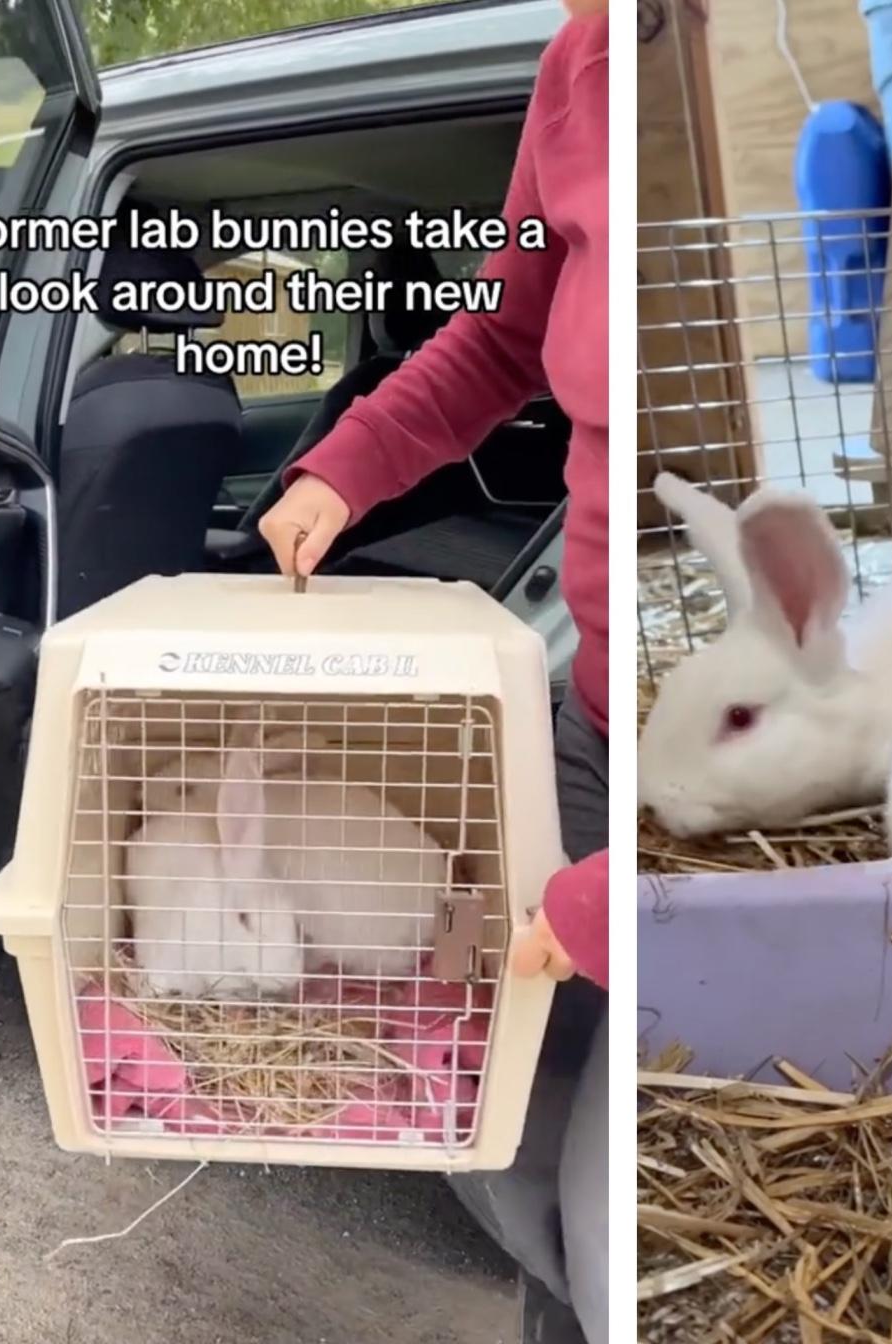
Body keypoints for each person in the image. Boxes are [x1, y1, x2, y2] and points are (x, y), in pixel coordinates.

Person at [255, 3, 610, 1340]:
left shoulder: (760, 101)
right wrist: (348, 464)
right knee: (526, 1126)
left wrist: (618, 905)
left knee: (627, 1193)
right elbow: (504, 331)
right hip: (595, 721)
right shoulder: (582, 60)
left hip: (719, 769)